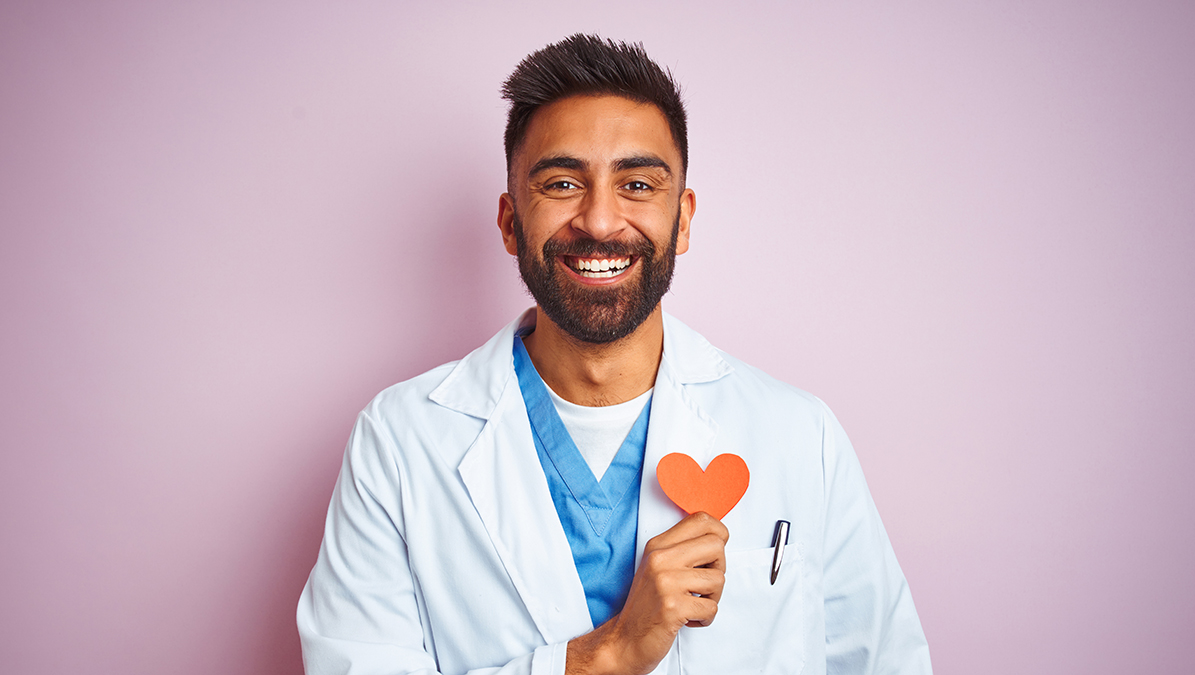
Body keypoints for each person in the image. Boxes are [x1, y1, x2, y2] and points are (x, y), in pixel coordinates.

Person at [298, 34, 932, 675]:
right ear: (511, 220)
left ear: (682, 220)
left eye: (635, 184)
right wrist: (612, 654)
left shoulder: (799, 435)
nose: (600, 221)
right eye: (563, 183)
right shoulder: (400, 441)